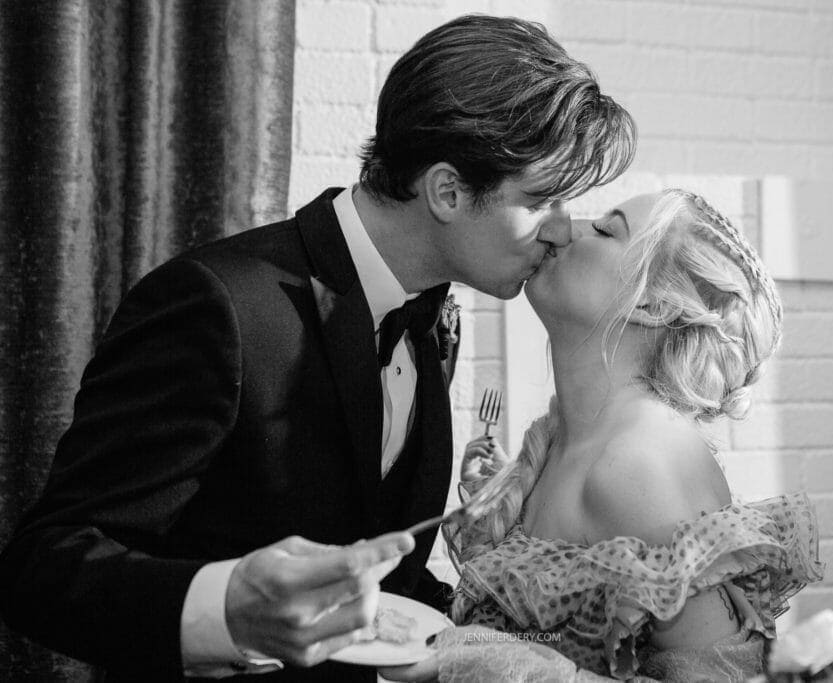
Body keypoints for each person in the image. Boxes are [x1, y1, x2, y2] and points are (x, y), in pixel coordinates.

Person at [0, 14, 635, 683]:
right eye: (545, 198)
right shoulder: (218, 305)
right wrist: (226, 610)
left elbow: (374, 572)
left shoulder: (429, 316)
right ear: (447, 191)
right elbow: (42, 566)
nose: (564, 230)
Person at [384, 189, 822, 682]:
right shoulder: (556, 440)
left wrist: (493, 664)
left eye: (607, 229)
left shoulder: (641, 467)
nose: (567, 226)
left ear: (654, 306)